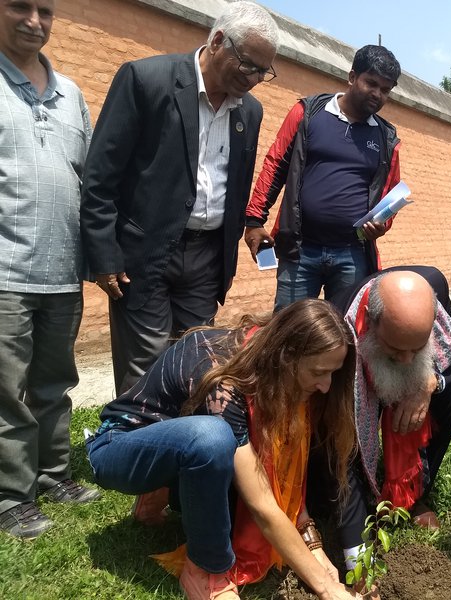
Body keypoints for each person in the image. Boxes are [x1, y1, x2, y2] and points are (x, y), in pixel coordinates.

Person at [87, 299, 361, 600]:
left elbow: (282, 469)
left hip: (172, 444)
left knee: (215, 448)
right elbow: (262, 502)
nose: (326, 385)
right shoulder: (224, 382)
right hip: (118, 444)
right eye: (319, 372)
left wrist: (313, 545)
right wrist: (326, 588)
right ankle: (205, 571)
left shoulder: (269, 365)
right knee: (211, 438)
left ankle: (160, 491)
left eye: (332, 373)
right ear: (287, 355)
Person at [80, 2, 279, 395]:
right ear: (218, 41)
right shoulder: (146, 80)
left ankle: (180, 452)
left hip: (207, 260)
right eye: (249, 65)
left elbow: (236, 183)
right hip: (145, 254)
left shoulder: (249, 112)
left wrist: (242, 231)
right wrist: (104, 254)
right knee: (145, 370)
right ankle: (136, 450)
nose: (255, 78)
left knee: (194, 364)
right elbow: (100, 177)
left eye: (264, 70)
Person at [0, 0, 100, 540]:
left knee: (55, 383)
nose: (34, 20)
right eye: (20, 6)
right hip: (5, 272)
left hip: (63, 271)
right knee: (5, 390)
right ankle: (11, 496)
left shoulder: (72, 96)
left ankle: (53, 475)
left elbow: (88, 178)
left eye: (46, 10)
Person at [317, 267, 451, 568]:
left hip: (410, 378)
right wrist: (357, 558)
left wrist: (428, 384)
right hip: (353, 381)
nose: (407, 360)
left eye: (418, 347)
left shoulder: (433, 289)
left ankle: (413, 494)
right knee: (342, 455)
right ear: (372, 325)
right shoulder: (340, 328)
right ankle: (365, 495)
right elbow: (344, 445)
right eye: (395, 349)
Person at [243, 44, 402, 312]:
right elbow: (276, 164)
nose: (377, 94)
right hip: (300, 250)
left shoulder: (386, 138)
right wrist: (254, 219)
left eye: (385, 90)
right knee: (289, 330)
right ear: (352, 77)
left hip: (352, 255)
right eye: (371, 83)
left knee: (345, 333)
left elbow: (390, 193)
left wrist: (381, 225)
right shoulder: (308, 113)